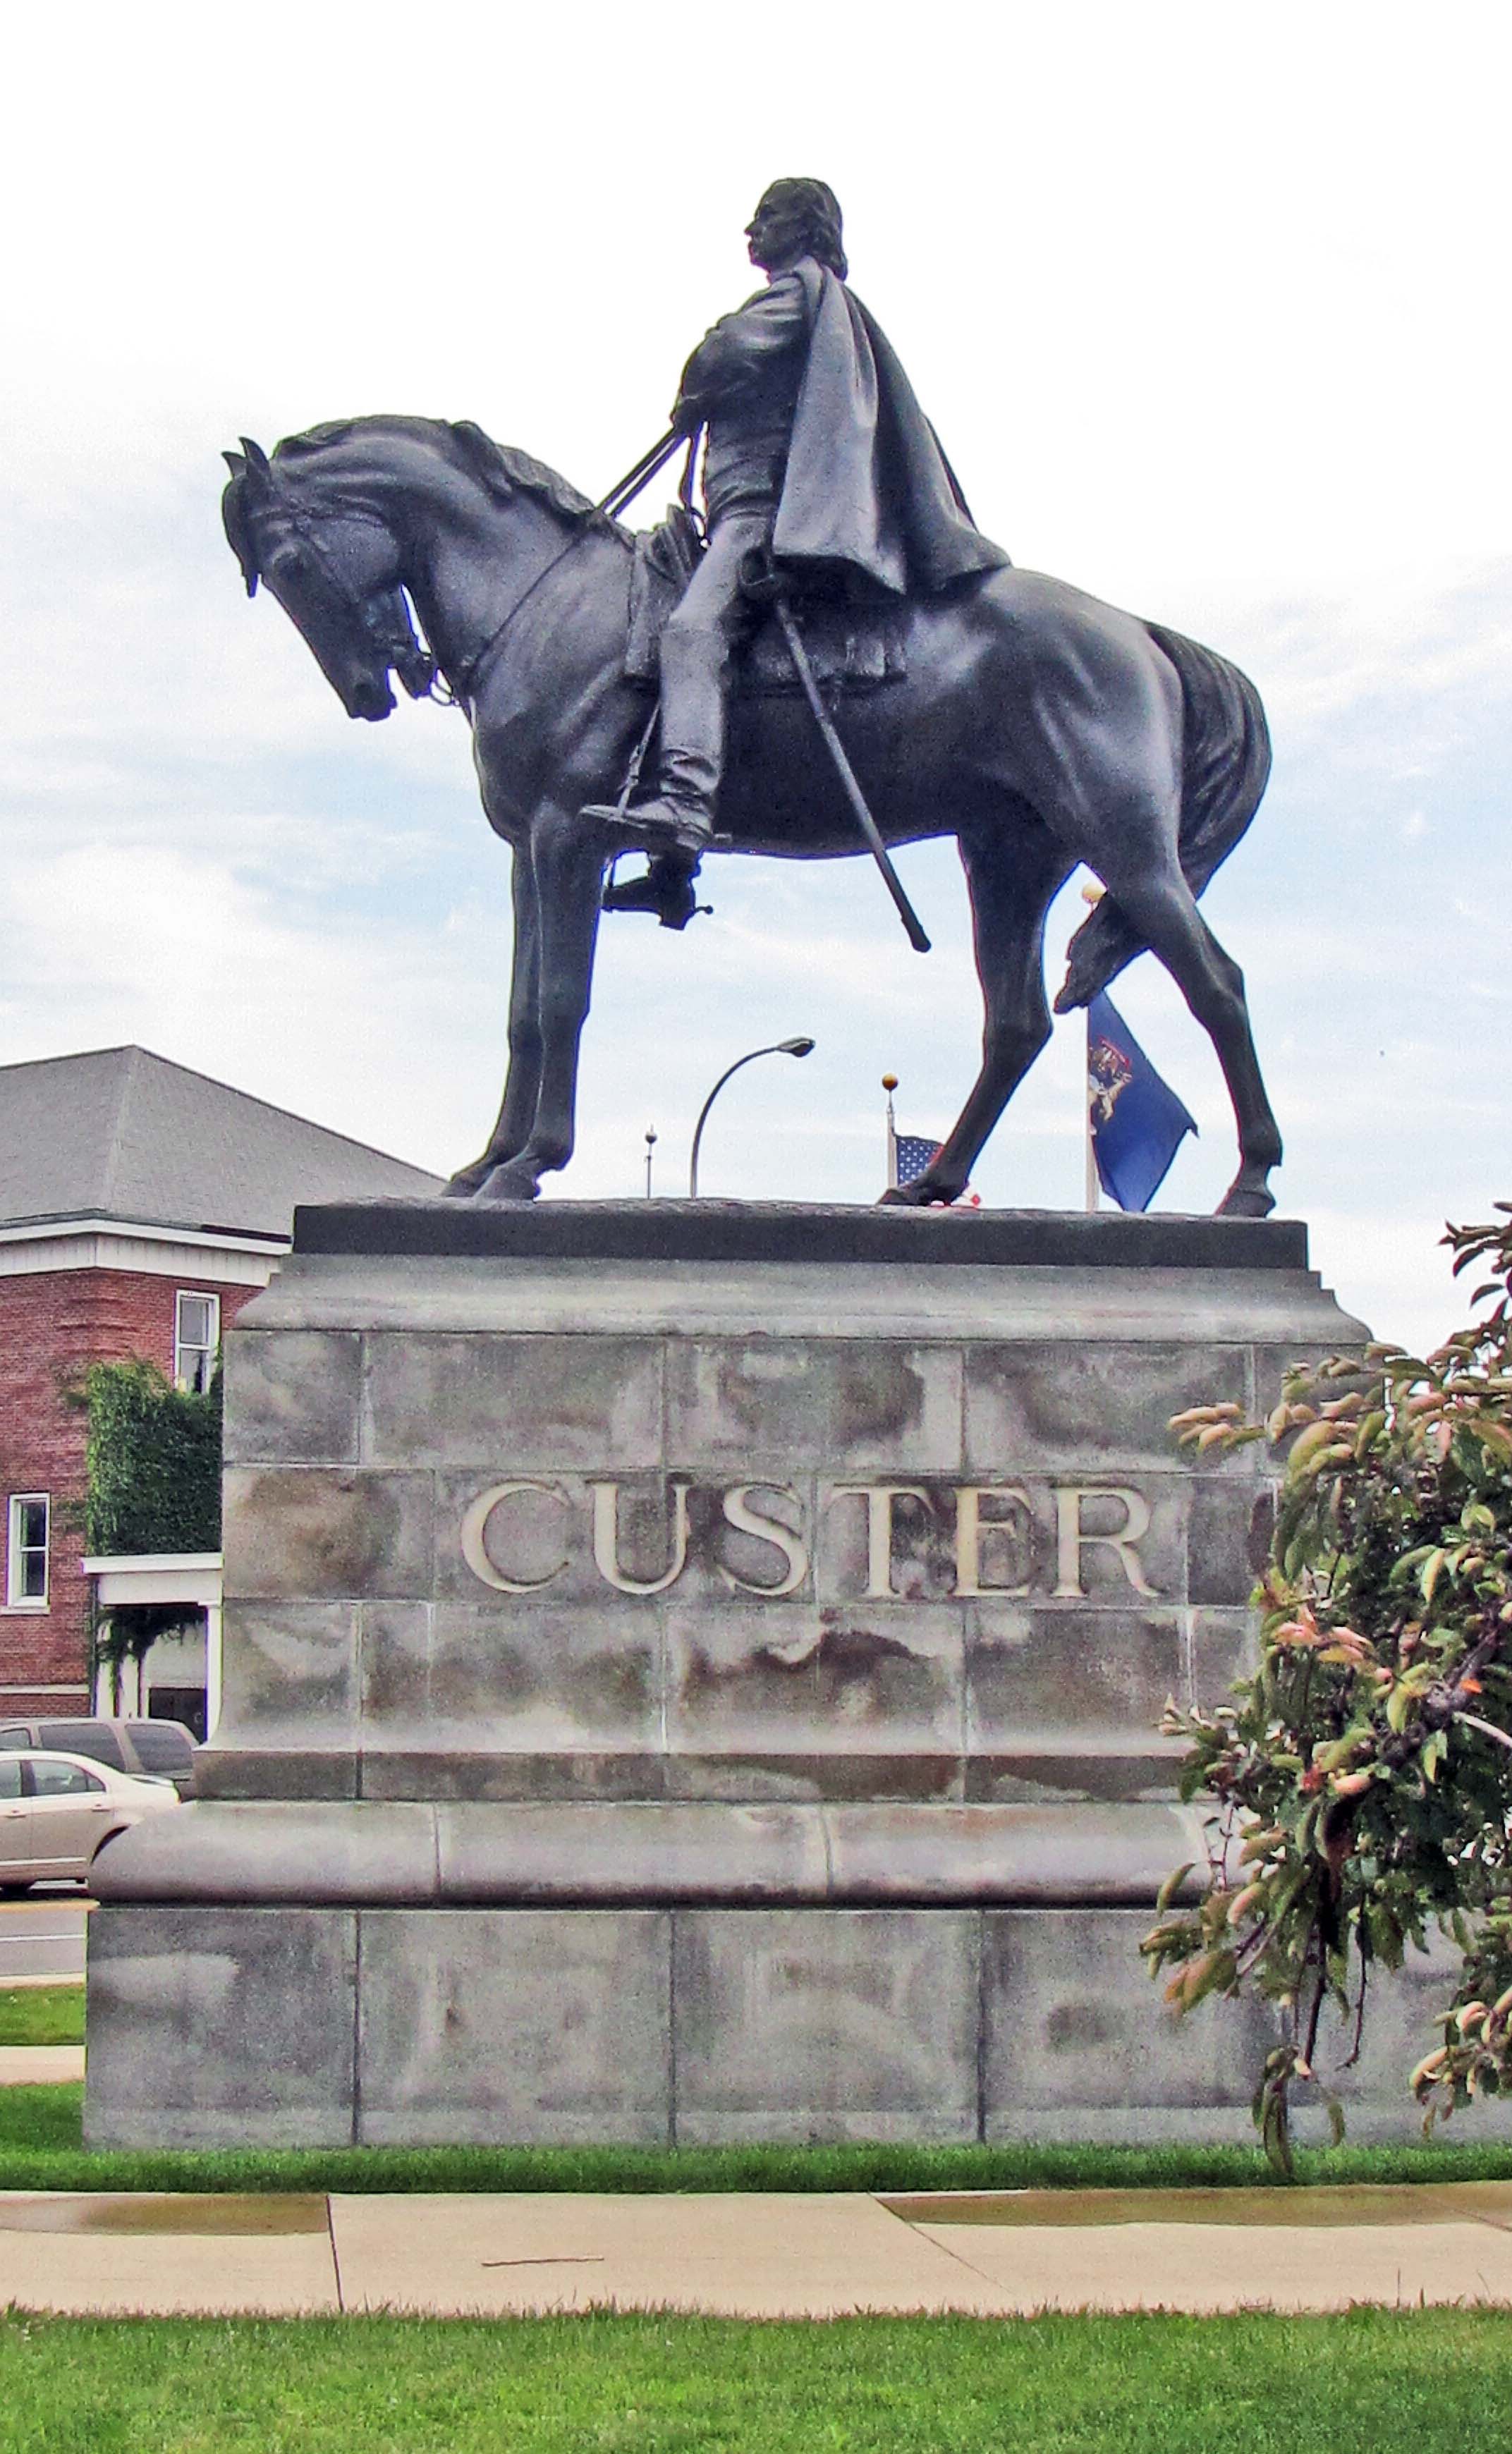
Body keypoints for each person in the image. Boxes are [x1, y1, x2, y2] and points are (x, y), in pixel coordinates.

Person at [591, 178, 1008, 903]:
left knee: (690, 635)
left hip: (758, 519)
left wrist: (702, 376)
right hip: (731, 514)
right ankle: (671, 877)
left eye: (767, 217)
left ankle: (685, 808)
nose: (750, 229)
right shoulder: (812, 299)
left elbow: (720, 357)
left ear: (806, 230)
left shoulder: (794, 293)